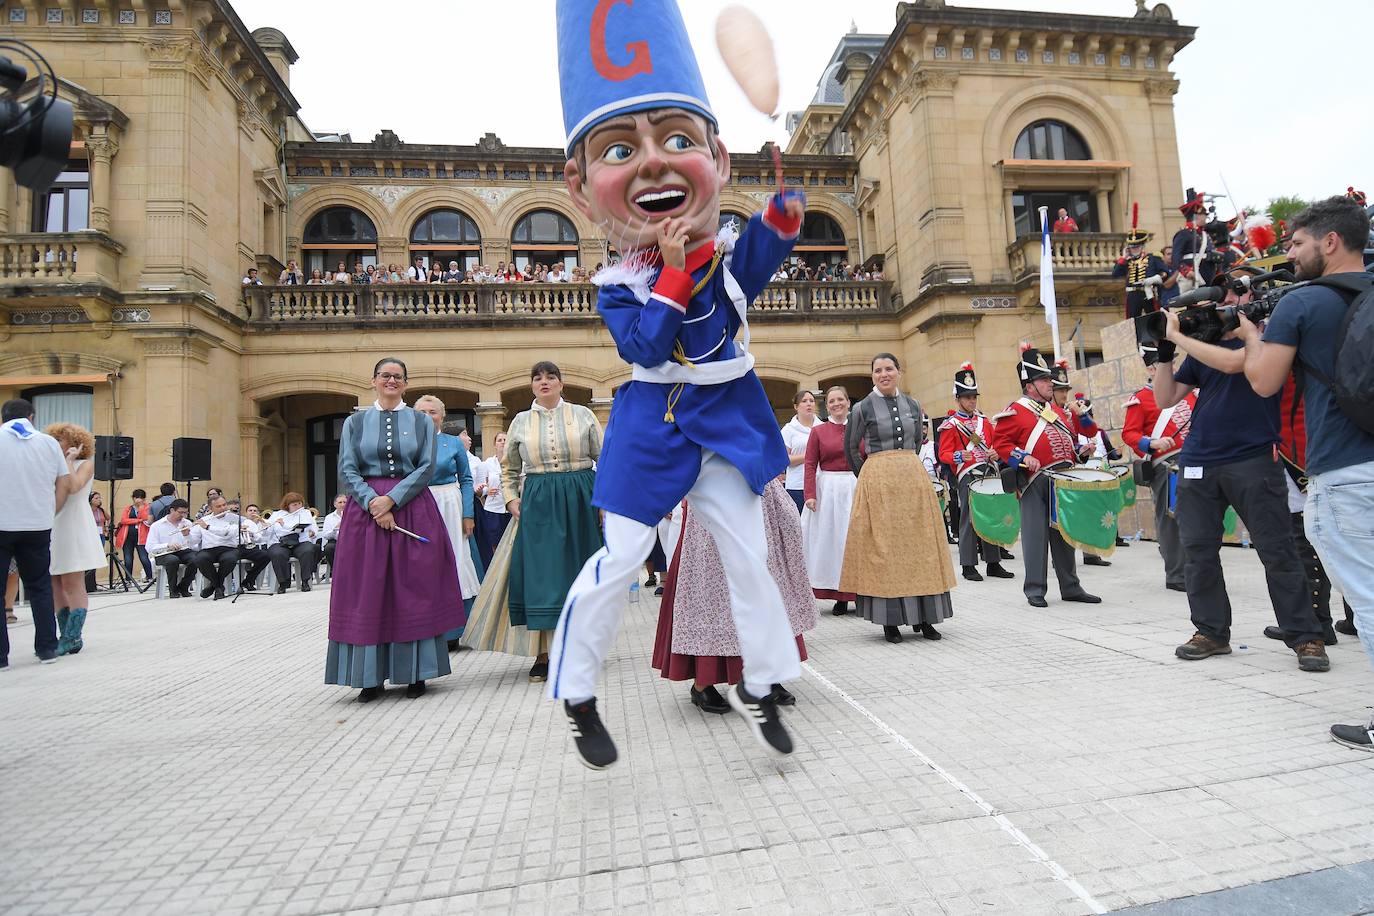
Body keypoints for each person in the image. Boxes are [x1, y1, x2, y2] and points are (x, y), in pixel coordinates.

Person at [547, 0, 806, 767]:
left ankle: (762, 684)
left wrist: (786, 209)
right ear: (580, 185)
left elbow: (767, 245)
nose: (656, 163)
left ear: (718, 164)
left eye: (680, 140)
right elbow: (648, 344)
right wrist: (675, 273)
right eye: (622, 149)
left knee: (748, 554)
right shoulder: (619, 285)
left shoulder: (727, 257)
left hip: (726, 418)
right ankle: (578, 692)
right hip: (649, 425)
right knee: (621, 559)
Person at [1236, 194, 1374, 745]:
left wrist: (1253, 338)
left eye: (1296, 243)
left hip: (1344, 472)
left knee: (1367, 598)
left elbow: (1265, 382)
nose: (1289, 253)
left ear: (1330, 242)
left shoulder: (1302, 301)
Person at [1152, 278, 1329, 673]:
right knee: (1198, 552)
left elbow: (1234, 364)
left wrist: (1181, 339)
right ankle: (1211, 632)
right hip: (1199, 459)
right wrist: (1165, 353)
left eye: (1231, 297)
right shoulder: (1203, 349)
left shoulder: (1265, 342)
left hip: (1252, 459)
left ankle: (1306, 636)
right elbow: (1164, 398)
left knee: (1277, 549)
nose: (1223, 306)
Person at [327, 358, 462, 701]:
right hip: (365, 514)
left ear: (405, 384)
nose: (391, 381)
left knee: (413, 587)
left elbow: (426, 466)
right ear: (373, 381)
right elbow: (347, 468)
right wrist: (374, 502)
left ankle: (416, 672)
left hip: (413, 508)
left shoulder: (420, 421)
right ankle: (369, 677)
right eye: (385, 376)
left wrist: (393, 500)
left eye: (398, 377)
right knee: (367, 590)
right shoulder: (355, 422)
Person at [462, 362, 603, 682]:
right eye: (537, 378)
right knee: (542, 576)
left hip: (580, 495)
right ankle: (542, 653)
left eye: (550, 377)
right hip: (538, 498)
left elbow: (603, 458)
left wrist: (603, 501)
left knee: (578, 572)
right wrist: (511, 498)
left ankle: (579, 649)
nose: (544, 382)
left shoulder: (583, 415)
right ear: (531, 385)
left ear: (561, 383)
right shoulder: (521, 421)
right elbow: (509, 467)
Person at [653, 480, 816, 711]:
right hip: (713, 493)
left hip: (758, 493)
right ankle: (702, 684)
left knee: (764, 588)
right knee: (715, 590)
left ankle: (765, 677)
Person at [839, 354, 958, 643]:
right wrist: (868, 475)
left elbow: (916, 442)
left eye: (889, 369)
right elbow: (851, 448)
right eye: (878, 370)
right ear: (872, 376)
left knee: (921, 548)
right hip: (878, 481)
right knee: (886, 550)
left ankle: (926, 618)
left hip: (912, 479)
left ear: (899, 372)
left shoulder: (914, 405)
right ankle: (890, 622)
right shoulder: (862, 407)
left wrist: (906, 467)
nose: (884, 374)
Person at [989, 344, 1102, 608]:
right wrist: (1022, 457)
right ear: (1030, 385)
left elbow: (1067, 442)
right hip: (1034, 480)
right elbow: (1001, 444)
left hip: (1062, 479)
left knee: (1064, 534)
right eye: (1043, 380)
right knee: (1035, 536)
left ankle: (1071, 586)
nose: (1050, 384)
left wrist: (1080, 452)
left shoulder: (1058, 412)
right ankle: (1035, 589)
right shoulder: (1015, 410)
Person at [0, 398, 71, 668]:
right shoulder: (47, 442)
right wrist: (50, 511)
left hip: (2, 523)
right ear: (31, 416)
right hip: (37, 524)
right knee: (39, 587)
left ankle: (1, 657)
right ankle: (46, 649)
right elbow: (63, 482)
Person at [1123, 342, 1194, 591]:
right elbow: (1129, 434)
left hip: (1194, 460)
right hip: (1166, 464)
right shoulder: (1141, 398)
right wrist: (1152, 443)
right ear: (1153, 369)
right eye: (1166, 364)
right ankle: (1176, 574)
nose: (1172, 367)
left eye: (1172, 363)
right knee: (1170, 518)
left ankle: (1198, 570)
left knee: (1198, 516)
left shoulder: (1187, 392)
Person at [413, 395, 480, 650]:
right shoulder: (406, 444)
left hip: (449, 503)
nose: (428, 416)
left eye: (433, 412)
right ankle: (424, 625)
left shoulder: (453, 444)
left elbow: (465, 479)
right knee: (422, 561)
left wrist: (468, 514)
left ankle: (454, 628)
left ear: (442, 416)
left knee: (455, 557)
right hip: (418, 502)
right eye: (422, 411)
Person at [938, 363, 1013, 582]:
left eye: (974, 397)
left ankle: (993, 562)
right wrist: (960, 456)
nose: (972, 400)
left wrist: (994, 453)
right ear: (958, 399)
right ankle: (968, 565)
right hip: (968, 475)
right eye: (967, 397)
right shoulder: (951, 425)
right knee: (969, 518)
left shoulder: (984, 422)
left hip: (989, 472)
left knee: (991, 515)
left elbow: (997, 444)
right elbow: (944, 454)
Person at [43, 423, 105, 655]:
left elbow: (74, 487)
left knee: (72, 582)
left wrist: (68, 460)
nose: (57, 443)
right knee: (55, 581)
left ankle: (73, 636)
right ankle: (64, 633)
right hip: (53, 523)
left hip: (74, 523)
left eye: (61, 439)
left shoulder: (84, 464)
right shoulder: (49, 465)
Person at [801, 386, 858, 615]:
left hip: (855, 487)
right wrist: (810, 494)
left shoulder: (860, 428)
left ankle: (860, 591)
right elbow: (809, 463)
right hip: (829, 491)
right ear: (827, 405)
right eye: (832, 401)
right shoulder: (818, 431)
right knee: (834, 542)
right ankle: (839, 595)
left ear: (848, 402)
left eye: (840, 399)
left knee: (854, 540)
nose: (836, 404)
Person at [191, 494, 247, 600]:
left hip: (229, 548)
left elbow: (227, 533)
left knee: (229, 559)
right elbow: (193, 541)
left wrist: (208, 527)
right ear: (211, 508)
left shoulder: (234, 518)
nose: (223, 508)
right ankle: (218, 586)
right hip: (209, 549)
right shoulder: (204, 520)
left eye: (224, 505)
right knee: (200, 558)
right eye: (218, 506)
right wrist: (186, 534)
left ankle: (214, 586)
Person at [147, 499, 200, 598]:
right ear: (172, 510)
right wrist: (167, 545)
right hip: (163, 553)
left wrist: (187, 536)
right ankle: (173, 589)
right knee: (172, 560)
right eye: (180, 512)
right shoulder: (157, 525)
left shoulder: (187, 523)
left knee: (196, 559)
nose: (183, 516)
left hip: (183, 551)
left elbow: (193, 545)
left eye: (185, 513)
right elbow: (150, 547)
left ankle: (183, 586)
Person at [1114, 225, 1168, 320]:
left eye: (1137, 247)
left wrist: (1153, 279)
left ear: (1142, 246)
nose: (1134, 250)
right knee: (1133, 320)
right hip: (1133, 294)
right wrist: (1123, 258)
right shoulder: (1127, 261)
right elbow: (1115, 274)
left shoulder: (1153, 258)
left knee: (1154, 318)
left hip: (1148, 292)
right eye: (1132, 247)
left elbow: (1164, 273)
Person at [268, 492, 318, 594]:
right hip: (280, 542)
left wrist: (313, 532)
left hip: (300, 541)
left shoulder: (305, 513)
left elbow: (312, 527)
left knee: (308, 551)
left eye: (299, 504)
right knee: (277, 554)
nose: (298, 506)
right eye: (294, 504)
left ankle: (305, 581)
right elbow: (269, 531)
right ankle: (282, 583)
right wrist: (266, 524)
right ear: (287, 505)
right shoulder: (277, 515)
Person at [474, 431, 511, 569]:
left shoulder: (516, 462)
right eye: (499, 440)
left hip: (510, 508)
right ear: (495, 444)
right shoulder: (487, 464)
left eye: (505, 440)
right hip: (492, 509)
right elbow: (480, 486)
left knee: (510, 542)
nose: (502, 442)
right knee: (493, 543)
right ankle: (495, 571)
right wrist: (485, 490)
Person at [781, 390, 819, 511]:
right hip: (797, 485)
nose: (809, 404)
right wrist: (810, 455)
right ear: (796, 407)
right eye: (804, 401)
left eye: (811, 401)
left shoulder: (823, 426)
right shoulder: (788, 429)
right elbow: (784, 459)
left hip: (820, 483)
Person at [115, 488, 153, 582]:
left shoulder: (148, 507)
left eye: (140, 498)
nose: (138, 500)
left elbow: (146, 518)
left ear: (144, 499)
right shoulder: (128, 508)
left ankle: (150, 577)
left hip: (141, 536)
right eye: (136, 497)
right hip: (128, 536)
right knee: (128, 558)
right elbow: (124, 520)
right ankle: (128, 579)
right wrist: (138, 520)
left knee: (144, 557)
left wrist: (141, 508)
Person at [237, 503, 273, 590]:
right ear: (246, 513)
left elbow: (261, 538)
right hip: (240, 547)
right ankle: (247, 582)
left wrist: (262, 523)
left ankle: (249, 580)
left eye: (255, 511)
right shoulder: (242, 523)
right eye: (250, 511)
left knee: (266, 556)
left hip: (253, 547)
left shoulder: (261, 522)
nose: (252, 512)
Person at [319, 494, 347, 571]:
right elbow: (326, 535)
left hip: (350, 540)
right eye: (340, 502)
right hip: (335, 541)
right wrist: (335, 529)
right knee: (329, 548)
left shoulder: (353, 516)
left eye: (345, 502)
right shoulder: (329, 517)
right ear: (335, 504)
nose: (343, 504)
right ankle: (335, 570)